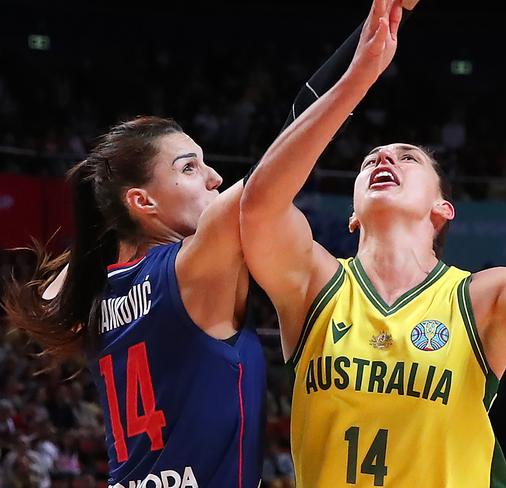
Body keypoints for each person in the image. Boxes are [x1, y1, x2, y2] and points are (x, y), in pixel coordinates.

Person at [1, 2, 423, 486]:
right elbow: (278, 159)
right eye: (189, 167)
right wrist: (361, 72)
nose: (214, 177)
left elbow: (64, 281)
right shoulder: (191, 267)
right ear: (142, 201)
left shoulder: (94, 291)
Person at [239, 1, 506, 486]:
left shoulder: (481, 300)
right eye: (370, 157)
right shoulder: (313, 284)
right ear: (351, 215)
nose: (383, 157)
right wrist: (358, 78)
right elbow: (259, 205)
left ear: (443, 209)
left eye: (407, 157)